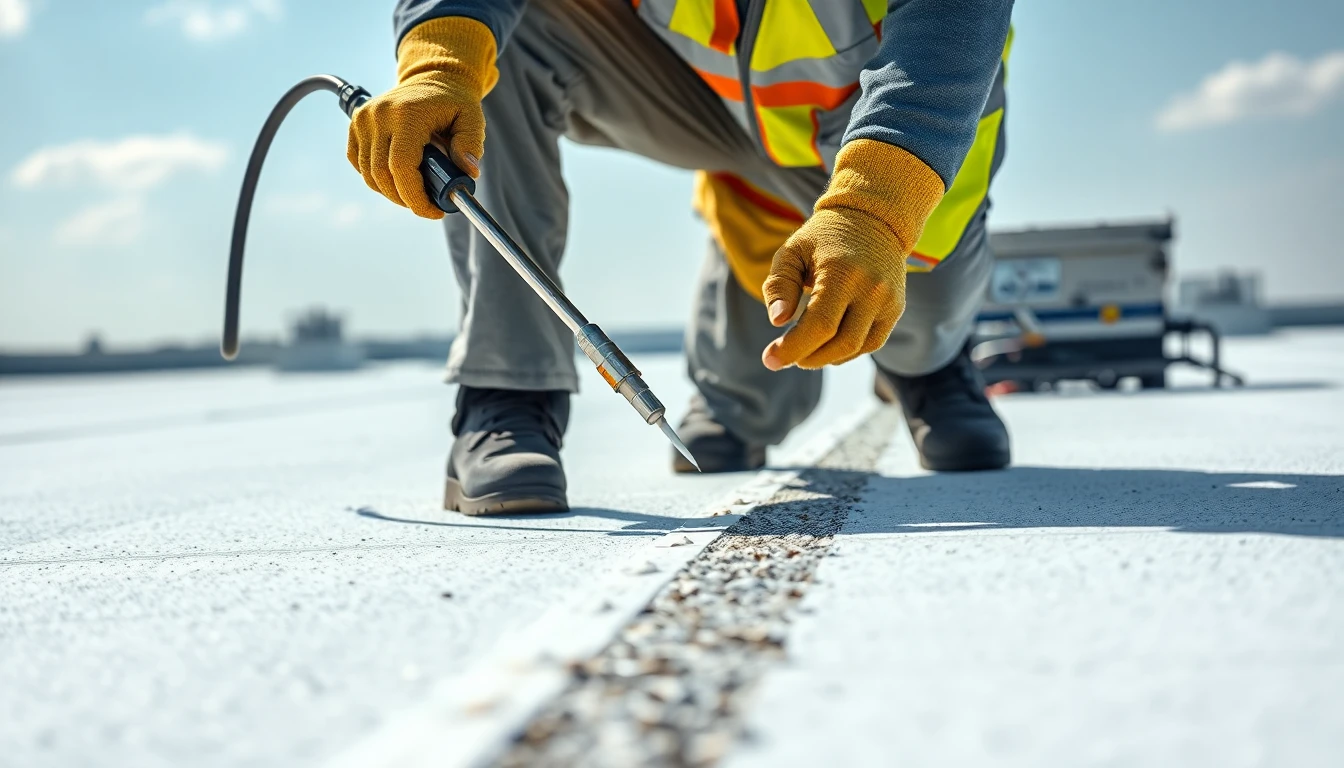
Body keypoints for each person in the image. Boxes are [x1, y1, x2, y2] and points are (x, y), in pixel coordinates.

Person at [349, 0, 1015, 515]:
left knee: (910, 325)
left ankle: (931, 368)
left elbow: (951, 20)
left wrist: (874, 212)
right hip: (716, 110)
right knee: (494, 32)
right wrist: (441, 59)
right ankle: (509, 391)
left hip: (889, 134)